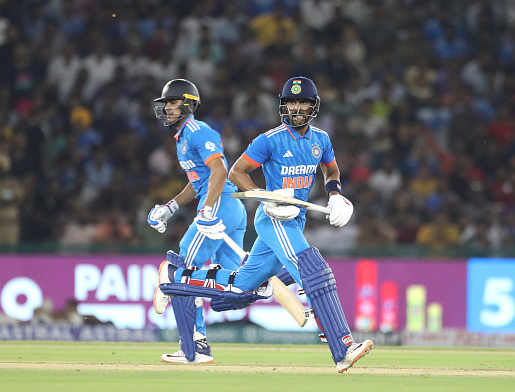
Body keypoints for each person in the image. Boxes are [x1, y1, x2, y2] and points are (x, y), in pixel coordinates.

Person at [154, 77, 372, 373]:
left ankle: (175, 277)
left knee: (242, 286)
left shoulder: (321, 139)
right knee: (313, 269)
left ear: (313, 107)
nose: (297, 108)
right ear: (284, 106)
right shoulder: (269, 140)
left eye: (303, 103)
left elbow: (330, 168)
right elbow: (235, 172)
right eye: (292, 103)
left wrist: (335, 195)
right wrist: (265, 197)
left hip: (296, 218)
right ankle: (342, 347)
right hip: (273, 218)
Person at [148, 79, 247, 363]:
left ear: (189, 104)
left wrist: (207, 210)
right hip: (230, 208)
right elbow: (198, 181)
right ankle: (270, 278)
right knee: (234, 288)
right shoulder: (183, 137)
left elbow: (219, 170)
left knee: (181, 271)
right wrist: (171, 206)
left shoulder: (197, 130)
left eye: (173, 102)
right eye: (166, 103)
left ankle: (196, 345)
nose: (167, 107)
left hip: (220, 207)